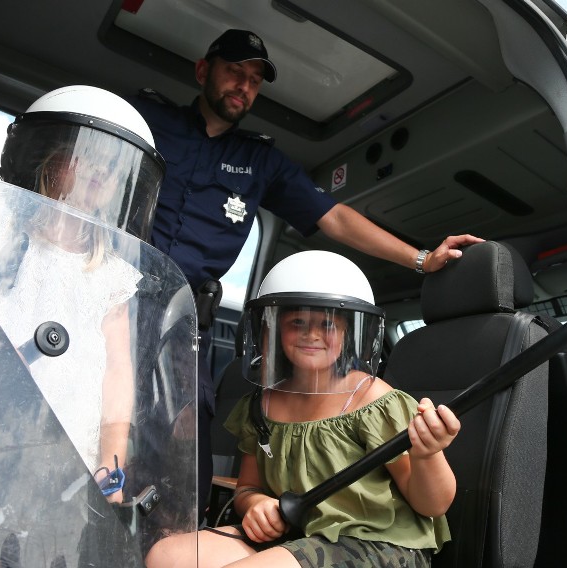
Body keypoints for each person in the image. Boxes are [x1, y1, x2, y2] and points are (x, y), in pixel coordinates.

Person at [127, 28, 482, 519]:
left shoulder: (260, 160)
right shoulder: (145, 119)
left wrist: (421, 260)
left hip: (185, 330)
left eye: (254, 80)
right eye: (235, 71)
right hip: (115, 300)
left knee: (180, 469)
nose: (244, 87)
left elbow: (332, 217)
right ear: (204, 70)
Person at [0, 85, 167, 501]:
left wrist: (110, 467)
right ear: (49, 155)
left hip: (57, 458)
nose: (101, 171)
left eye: (114, 166)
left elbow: (116, 378)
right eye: (88, 156)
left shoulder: (112, 276)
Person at [144, 250, 461, 568]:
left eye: (327, 324)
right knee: (165, 556)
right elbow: (247, 488)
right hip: (296, 532)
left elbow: (431, 504)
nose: (312, 334)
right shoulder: (261, 403)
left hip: (376, 543)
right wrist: (255, 503)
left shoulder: (374, 399)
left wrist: (427, 454)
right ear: (274, 329)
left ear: (347, 333)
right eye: (297, 322)